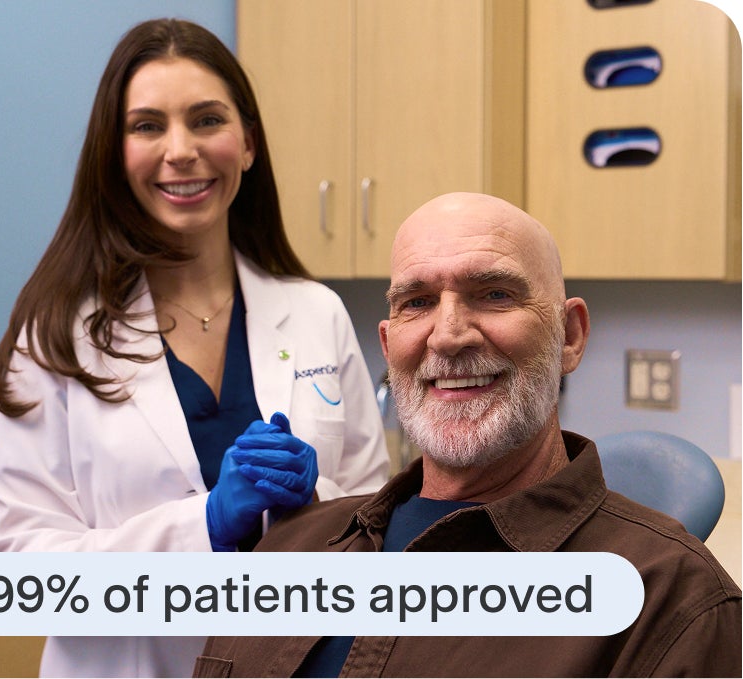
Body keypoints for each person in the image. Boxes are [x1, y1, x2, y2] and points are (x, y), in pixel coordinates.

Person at [0, 18, 389, 678]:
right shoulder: (54, 335)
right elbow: (24, 576)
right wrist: (206, 527)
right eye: (147, 125)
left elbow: (377, 526)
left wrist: (315, 503)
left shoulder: (314, 314)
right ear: (114, 152)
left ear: (247, 143)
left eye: (206, 119)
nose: (180, 149)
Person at [194, 192, 742, 678]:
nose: (449, 335)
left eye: (495, 294)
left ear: (570, 336)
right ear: (388, 347)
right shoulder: (287, 550)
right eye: (418, 302)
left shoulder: (673, 604)